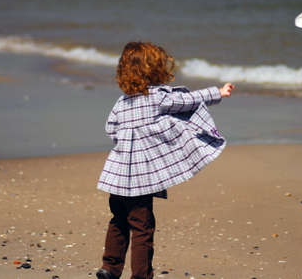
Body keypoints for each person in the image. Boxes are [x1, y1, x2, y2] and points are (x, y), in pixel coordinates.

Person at [96, 42, 234, 279]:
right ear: (155, 69)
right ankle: (141, 275)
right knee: (142, 227)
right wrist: (218, 92)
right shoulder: (157, 98)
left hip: (117, 178)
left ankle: (109, 268)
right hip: (140, 180)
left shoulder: (121, 103)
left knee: (118, 220)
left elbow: (111, 129)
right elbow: (188, 100)